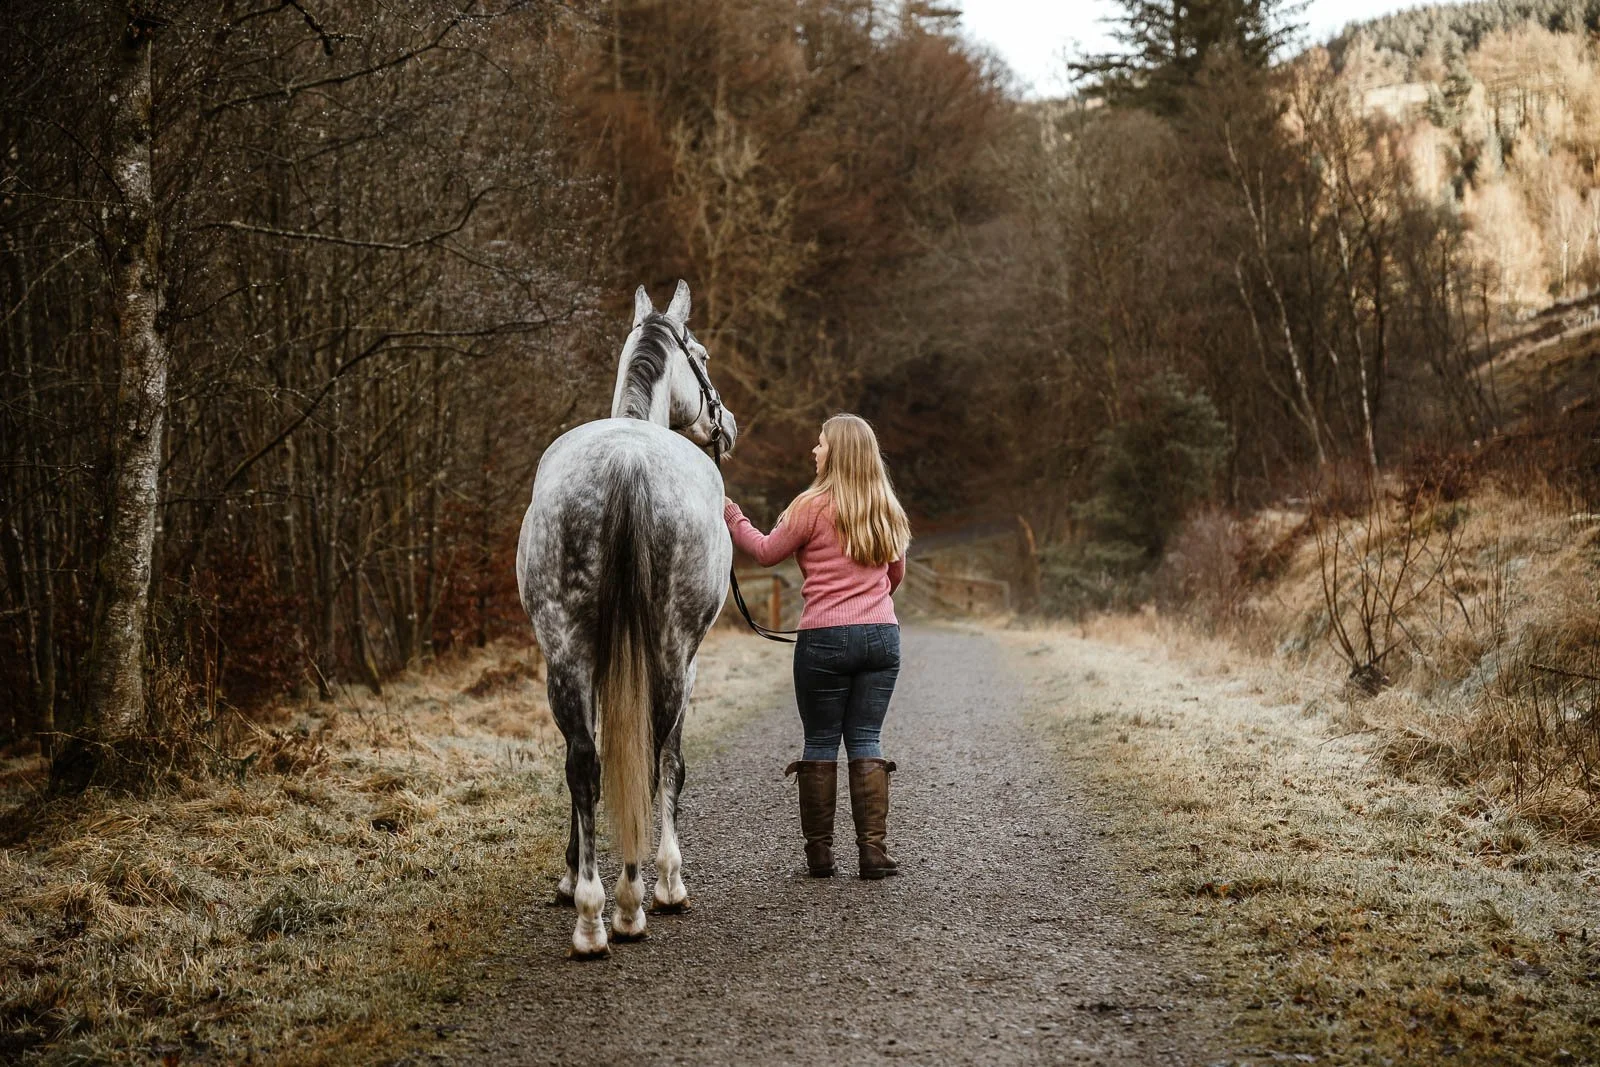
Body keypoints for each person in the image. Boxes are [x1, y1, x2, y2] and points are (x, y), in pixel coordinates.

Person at [723, 414, 911, 879]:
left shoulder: (810, 506)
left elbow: (765, 551)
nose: (814, 450)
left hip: (823, 639)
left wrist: (733, 517)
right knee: (866, 739)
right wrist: (864, 601)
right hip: (881, 637)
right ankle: (872, 853)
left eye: (821, 443)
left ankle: (821, 855)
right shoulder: (886, 506)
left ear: (838, 452)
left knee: (822, 739)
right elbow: (894, 576)